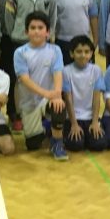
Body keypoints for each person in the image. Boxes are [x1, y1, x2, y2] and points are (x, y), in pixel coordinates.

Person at [4, 0, 56, 127]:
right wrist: (16, 33)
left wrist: (49, 36)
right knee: (18, 80)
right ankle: (16, 114)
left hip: (43, 44)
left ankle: (43, 112)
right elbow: (9, 18)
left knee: (41, 78)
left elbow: (53, 18)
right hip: (19, 42)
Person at [13, 12, 68, 160]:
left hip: (48, 99)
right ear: (26, 32)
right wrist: (46, 93)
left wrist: (56, 94)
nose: (36, 31)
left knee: (58, 106)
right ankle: (46, 127)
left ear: (47, 32)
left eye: (40, 28)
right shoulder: (20, 53)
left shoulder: (55, 50)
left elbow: (58, 74)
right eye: (32, 28)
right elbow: (24, 79)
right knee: (33, 144)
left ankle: (57, 143)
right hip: (30, 102)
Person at [62, 35, 107, 152]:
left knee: (99, 144)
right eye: (79, 52)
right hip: (73, 117)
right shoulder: (66, 71)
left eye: (87, 52)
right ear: (71, 54)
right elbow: (68, 99)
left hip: (90, 117)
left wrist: (95, 122)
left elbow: (96, 98)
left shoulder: (96, 70)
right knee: (75, 145)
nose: (83, 55)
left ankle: (87, 135)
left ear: (92, 53)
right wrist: (74, 124)